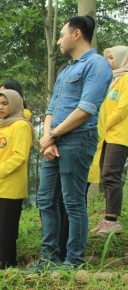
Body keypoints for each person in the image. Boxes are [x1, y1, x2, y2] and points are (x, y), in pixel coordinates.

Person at [29, 16, 113, 272]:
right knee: (45, 199)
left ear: (77, 34)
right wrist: (47, 141)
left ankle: (73, 261)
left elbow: (86, 109)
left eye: (62, 34)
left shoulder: (97, 65)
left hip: (78, 140)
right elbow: (52, 107)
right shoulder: (66, 70)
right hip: (55, 142)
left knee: (73, 201)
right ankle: (48, 258)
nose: (59, 40)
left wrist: (53, 134)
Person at [0, 90, 35, 271]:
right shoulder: (3, 126)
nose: (0, 107)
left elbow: (20, 156)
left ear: (14, 104)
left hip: (9, 185)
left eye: (5, 103)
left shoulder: (20, 126)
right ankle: (2, 263)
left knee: (4, 226)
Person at [90, 45, 128, 237]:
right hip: (106, 135)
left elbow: (122, 108)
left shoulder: (127, 79)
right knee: (105, 174)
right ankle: (107, 218)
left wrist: (105, 124)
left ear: (122, 59)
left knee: (111, 174)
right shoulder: (112, 81)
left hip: (119, 135)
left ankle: (112, 220)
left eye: (112, 58)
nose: (108, 61)